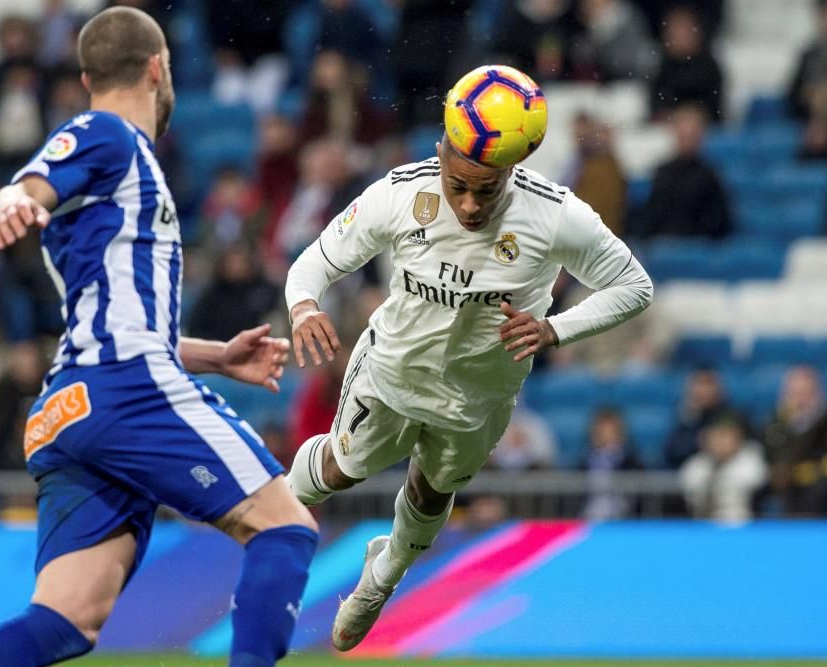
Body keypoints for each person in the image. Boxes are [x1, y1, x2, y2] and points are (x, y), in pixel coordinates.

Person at [0, 8, 317, 667]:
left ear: (88, 73)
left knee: (64, 620)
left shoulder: (121, 166)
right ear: (158, 67)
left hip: (71, 402)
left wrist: (216, 357)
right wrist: (14, 200)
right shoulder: (106, 133)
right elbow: (30, 182)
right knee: (283, 527)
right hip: (125, 388)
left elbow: (117, 313)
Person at [283, 65, 653, 651]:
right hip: (390, 375)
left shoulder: (555, 214)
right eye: (459, 185)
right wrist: (304, 307)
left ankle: (382, 578)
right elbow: (315, 262)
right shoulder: (399, 194)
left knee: (430, 493)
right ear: (441, 152)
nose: (471, 203)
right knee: (338, 472)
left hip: (479, 395)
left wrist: (556, 330)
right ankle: (267, 512)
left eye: (487, 189)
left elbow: (634, 286)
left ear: (512, 169)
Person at [762, 365, 827, 517]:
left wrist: (808, 423)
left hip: (820, 479)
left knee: (820, 490)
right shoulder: (776, 421)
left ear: (817, 393)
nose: (800, 399)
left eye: (806, 393)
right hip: (786, 477)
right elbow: (770, 453)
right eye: (795, 393)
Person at [636, 104, 732, 239]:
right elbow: (652, 217)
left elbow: (719, 222)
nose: (686, 140)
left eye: (691, 135)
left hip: (698, 247)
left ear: (700, 137)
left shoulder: (710, 176)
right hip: (665, 245)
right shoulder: (662, 172)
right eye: (683, 135)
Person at [679, 414, 767, 522]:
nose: (721, 442)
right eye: (716, 436)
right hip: (702, 526)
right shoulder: (696, 464)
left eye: (726, 436)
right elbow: (690, 490)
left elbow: (755, 479)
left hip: (740, 527)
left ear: (739, 438)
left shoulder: (750, 460)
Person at [579, 407, 643, 521]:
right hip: (588, 519)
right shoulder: (582, 463)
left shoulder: (632, 463)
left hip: (622, 521)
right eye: (601, 430)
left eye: (611, 430)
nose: (606, 435)